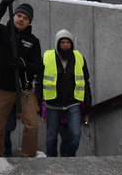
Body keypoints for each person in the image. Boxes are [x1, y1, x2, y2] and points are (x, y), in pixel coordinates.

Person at [0, 0, 43, 158]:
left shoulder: (33, 41)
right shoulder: (2, 33)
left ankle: (28, 159)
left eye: (25, 18)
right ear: (14, 15)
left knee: (32, 125)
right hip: (2, 89)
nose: (21, 19)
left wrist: (23, 64)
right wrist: (4, 4)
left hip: (25, 90)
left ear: (29, 22)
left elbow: (38, 67)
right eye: (19, 15)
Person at [41, 29, 92, 157]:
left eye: (67, 42)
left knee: (75, 134)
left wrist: (87, 108)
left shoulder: (79, 58)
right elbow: (38, 81)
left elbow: (86, 83)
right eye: (62, 42)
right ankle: (51, 159)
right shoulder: (47, 57)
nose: (65, 45)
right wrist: (39, 106)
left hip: (72, 103)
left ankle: (68, 158)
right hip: (52, 104)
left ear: (71, 44)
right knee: (51, 137)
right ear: (57, 44)